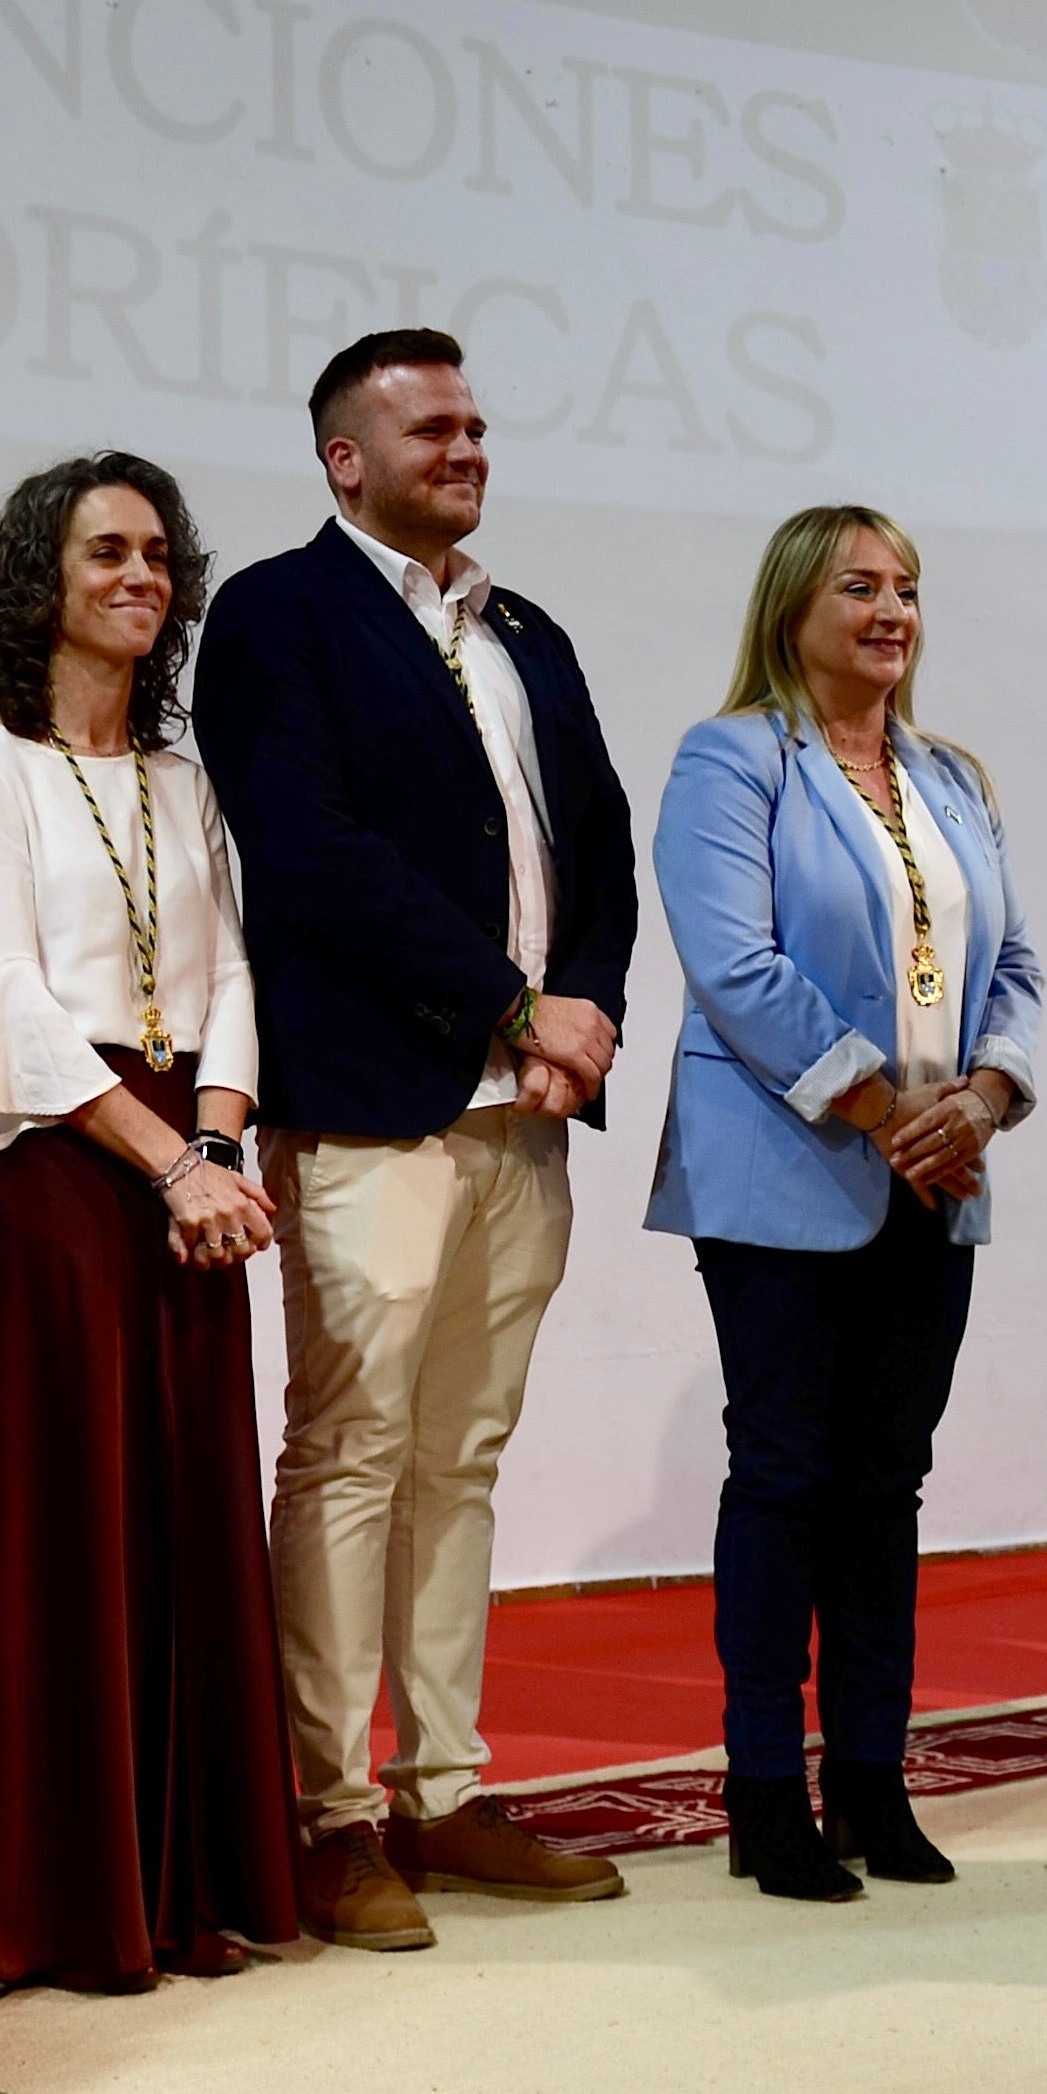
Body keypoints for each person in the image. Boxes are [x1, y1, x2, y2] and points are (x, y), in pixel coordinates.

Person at [195, 329, 644, 1950]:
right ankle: (328, 1812)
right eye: (428, 424)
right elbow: (305, 853)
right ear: (343, 459)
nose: (465, 444)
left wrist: (581, 1001)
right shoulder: (274, 613)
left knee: (460, 1454)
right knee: (351, 1452)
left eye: (472, 419)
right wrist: (509, 1007)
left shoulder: (521, 626)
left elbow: (595, 840)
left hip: (524, 1115)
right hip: (371, 1100)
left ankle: (442, 1787)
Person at [0, 455, 306, 1989]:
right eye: (106, 552)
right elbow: (2, 996)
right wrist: (168, 1164)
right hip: (58, 1171)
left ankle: (193, 1878)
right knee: (66, 1520)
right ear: (44, 579)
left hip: (184, 1166)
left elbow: (228, 976)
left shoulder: (185, 776)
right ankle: (64, 1901)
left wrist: (218, 1143)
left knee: (187, 1510)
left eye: (158, 554)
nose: (140, 577)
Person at [649, 511, 1043, 1899]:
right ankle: (766, 1794)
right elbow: (736, 967)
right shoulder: (733, 759)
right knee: (786, 1477)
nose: (892, 610)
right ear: (792, 607)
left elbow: (1019, 970)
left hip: (940, 1177)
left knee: (888, 1487)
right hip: (786, 1175)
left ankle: (874, 1782)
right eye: (859, 586)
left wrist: (984, 1100)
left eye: (909, 589)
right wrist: (889, 1115)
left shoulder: (951, 775)